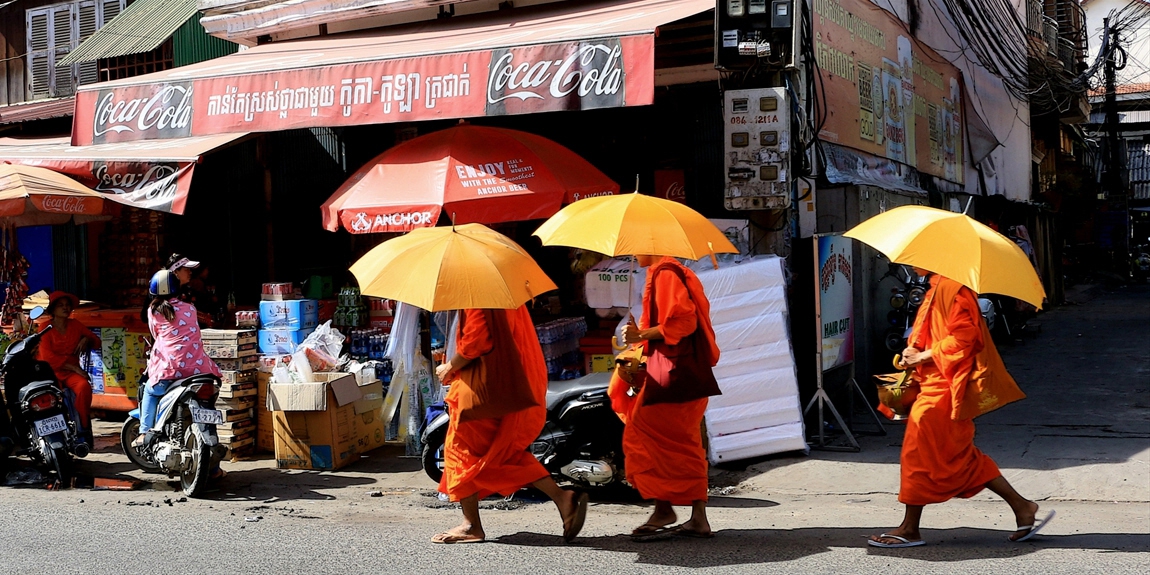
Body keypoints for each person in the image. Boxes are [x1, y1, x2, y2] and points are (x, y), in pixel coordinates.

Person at [869, 269, 1054, 548]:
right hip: (932, 384)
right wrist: (913, 351)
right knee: (959, 458)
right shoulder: (936, 287)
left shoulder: (954, 290)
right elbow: (932, 333)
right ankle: (1022, 507)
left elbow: (964, 340)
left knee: (917, 456)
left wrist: (923, 355)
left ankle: (909, 529)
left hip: (943, 390)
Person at [432, 305, 589, 544]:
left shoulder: (479, 297)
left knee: (461, 454)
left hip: (480, 392)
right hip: (505, 387)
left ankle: (471, 525)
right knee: (502, 455)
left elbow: (477, 342)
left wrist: (449, 366)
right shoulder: (506, 299)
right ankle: (563, 498)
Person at [614, 254, 721, 539]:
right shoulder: (667, 272)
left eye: (637, 245)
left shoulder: (665, 274)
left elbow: (684, 322)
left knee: (642, 433)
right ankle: (696, 517)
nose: (633, 253)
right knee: (684, 444)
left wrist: (641, 335)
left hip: (675, 374)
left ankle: (664, 510)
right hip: (686, 375)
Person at [134, 270, 223, 456]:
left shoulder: (153, 311)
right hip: (200, 370)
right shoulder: (190, 308)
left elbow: (156, 334)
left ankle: (144, 433)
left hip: (170, 371)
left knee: (150, 390)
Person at [36, 291, 99, 445]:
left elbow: (96, 342)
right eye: (60, 305)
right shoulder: (45, 328)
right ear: (52, 309)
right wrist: (75, 368)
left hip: (70, 373)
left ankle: (83, 427)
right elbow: (47, 358)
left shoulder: (75, 324)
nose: (65, 308)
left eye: (67, 305)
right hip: (50, 372)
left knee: (84, 387)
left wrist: (86, 338)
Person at [166, 253, 217, 327]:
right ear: (175, 272)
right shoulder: (164, 293)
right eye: (186, 270)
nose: (190, 272)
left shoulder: (188, 290)